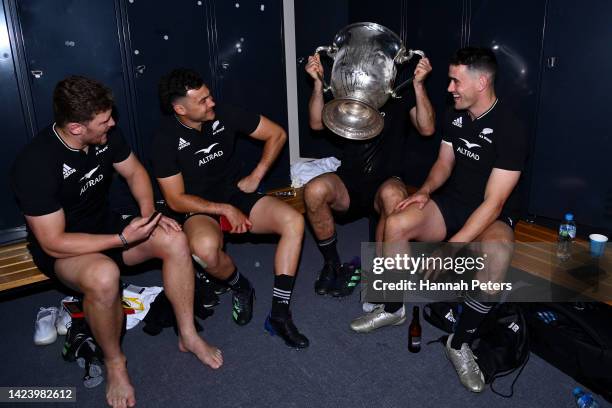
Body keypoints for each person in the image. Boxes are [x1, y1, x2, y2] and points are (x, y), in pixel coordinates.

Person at [10, 76, 222, 408]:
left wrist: (149, 215)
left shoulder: (106, 135)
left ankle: (188, 335)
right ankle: (115, 362)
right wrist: (121, 238)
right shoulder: (35, 164)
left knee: (174, 239)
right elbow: (52, 242)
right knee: (104, 276)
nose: (112, 123)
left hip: (108, 227)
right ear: (76, 128)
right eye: (103, 121)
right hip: (65, 248)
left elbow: (136, 173)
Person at [350, 47, 527, 393]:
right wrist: (426, 191)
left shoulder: (510, 127)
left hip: (491, 214)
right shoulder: (455, 115)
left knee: (498, 252)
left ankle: (458, 343)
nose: (449, 88)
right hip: (454, 203)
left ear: (482, 81)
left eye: (455, 80)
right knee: (399, 220)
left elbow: (494, 202)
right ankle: (392, 307)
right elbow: (445, 163)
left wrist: (452, 246)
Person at [151, 68, 308, 349]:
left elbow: (277, 134)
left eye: (209, 96)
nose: (211, 103)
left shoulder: (223, 113)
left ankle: (279, 315)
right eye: (202, 101)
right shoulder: (164, 139)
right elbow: (176, 199)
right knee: (206, 249)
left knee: (294, 222)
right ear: (180, 108)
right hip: (196, 207)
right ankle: (241, 286)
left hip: (234, 194)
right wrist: (223, 210)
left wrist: (257, 175)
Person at [303, 52, 435, 298]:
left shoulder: (399, 95)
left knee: (393, 196)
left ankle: (381, 273)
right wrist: (318, 83)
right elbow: (316, 124)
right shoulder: (348, 92)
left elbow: (427, 128)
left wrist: (419, 85)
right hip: (349, 183)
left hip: (386, 181)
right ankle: (333, 265)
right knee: (314, 190)